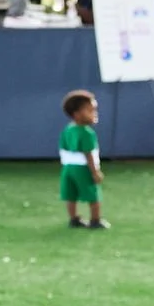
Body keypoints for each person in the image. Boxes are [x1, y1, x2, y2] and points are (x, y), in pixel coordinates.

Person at [60, 89, 107, 230]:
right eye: (90, 110)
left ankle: (73, 219)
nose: (94, 113)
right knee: (93, 194)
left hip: (67, 168)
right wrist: (95, 172)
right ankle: (95, 220)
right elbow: (89, 154)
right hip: (83, 168)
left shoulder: (68, 129)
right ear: (77, 114)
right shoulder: (87, 132)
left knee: (71, 194)